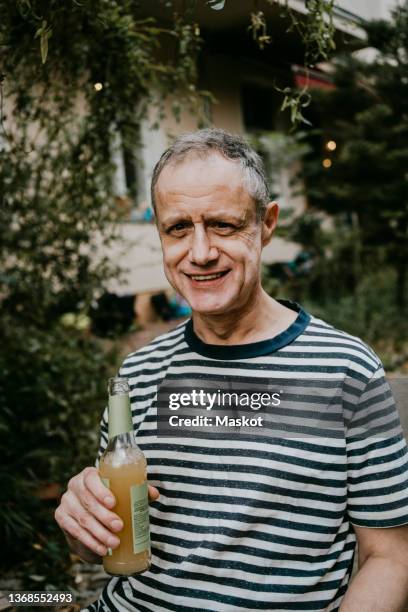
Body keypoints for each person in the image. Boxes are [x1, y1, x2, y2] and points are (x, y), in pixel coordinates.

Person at [55, 128, 408, 612]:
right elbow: (101, 546)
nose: (199, 252)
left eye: (222, 224)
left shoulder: (346, 370)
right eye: (178, 228)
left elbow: (389, 557)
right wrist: (82, 525)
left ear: (266, 224)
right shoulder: (137, 374)